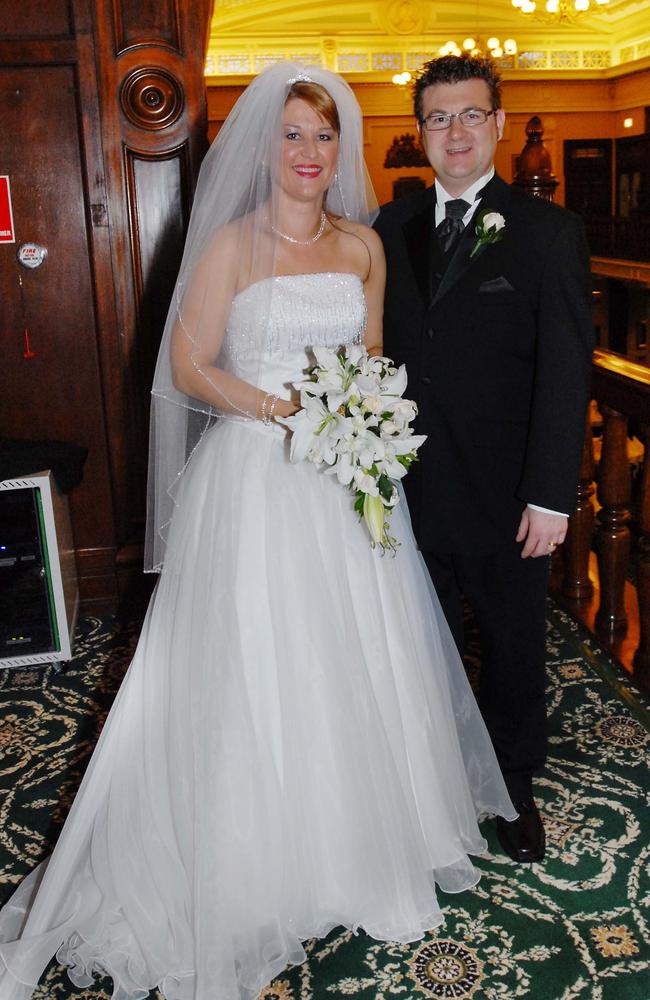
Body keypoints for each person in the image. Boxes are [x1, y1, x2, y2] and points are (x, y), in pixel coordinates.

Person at [0, 62, 516, 1000]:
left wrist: (356, 419)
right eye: (291, 135)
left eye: (324, 136)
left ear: (342, 149)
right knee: (255, 664)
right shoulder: (233, 245)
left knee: (356, 657)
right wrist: (282, 410)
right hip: (255, 478)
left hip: (344, 485)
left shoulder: (364, 248)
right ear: (263, 148)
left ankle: (356, 841)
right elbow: (189, 365)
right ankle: (254, 852)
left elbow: (370, 361)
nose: (309, 153)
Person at [374, 54, 594, 865]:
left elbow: (567, 371)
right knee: (415, 644)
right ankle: (427, 780)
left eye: (471, 115)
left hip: (508, 494)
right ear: (421, 133)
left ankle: (512, 787)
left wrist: (551, 494)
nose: (455, 132)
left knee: (511, 646)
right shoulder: (386, 228)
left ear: (498, 124)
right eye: (439, 118)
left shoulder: (549, 232)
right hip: (405, 486)